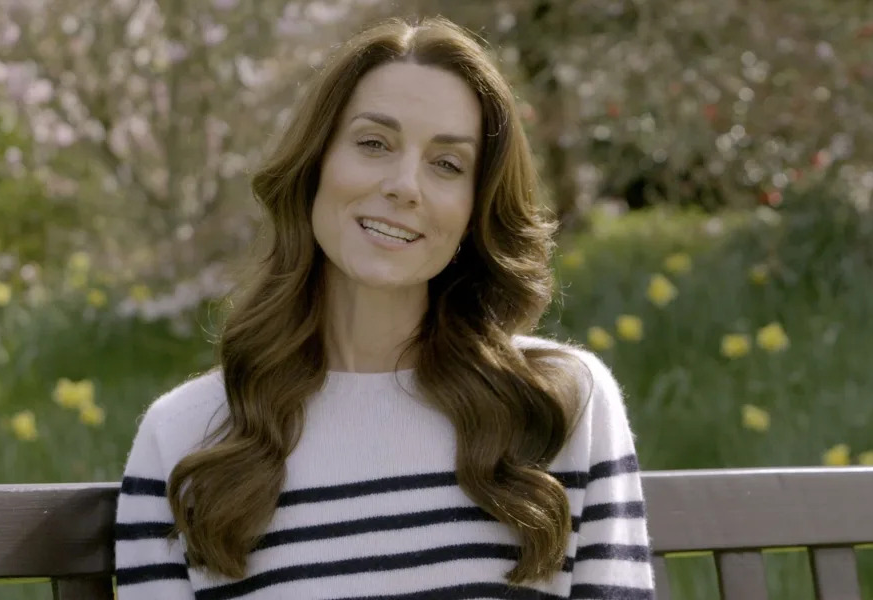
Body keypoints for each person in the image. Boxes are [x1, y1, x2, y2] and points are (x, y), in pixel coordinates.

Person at [114, 15, 655, 600]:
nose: (405, 185)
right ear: (315, 163)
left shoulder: (560, 406)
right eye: (374, 143)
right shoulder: (186, 439)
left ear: (475, 210)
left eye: (447, 164)